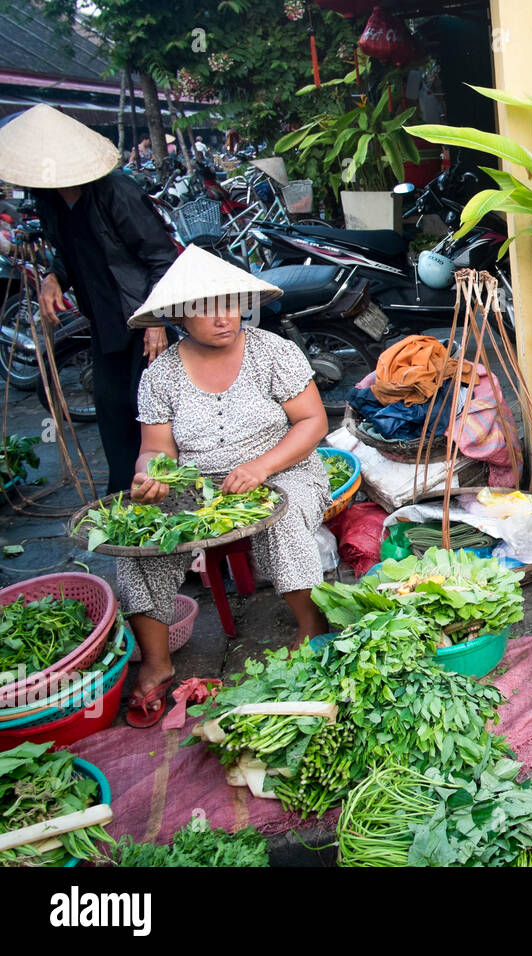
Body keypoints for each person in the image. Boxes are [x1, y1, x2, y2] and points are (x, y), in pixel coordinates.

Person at [117, 245, 331, 727]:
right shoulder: (161, 375)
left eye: (230, 303)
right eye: (206, 308)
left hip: (286, 470)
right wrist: (150, 473)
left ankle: (312, 627)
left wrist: (262, 466)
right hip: (198, 489)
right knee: (139, 542)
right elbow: (156, 450)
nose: (223, 318)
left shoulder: (272, 352)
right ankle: (156, 662)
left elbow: (312, 422)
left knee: (284, 515)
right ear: (178, 316)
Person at [0, 105, 177, 494]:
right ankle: (123, 494)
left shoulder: (117, 192)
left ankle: (166, 489)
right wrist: (53, 277)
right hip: (103, 319)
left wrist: (155, 319)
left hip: (140, 318)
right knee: (112, 411)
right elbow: (66, 253)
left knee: (151, 411)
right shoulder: (48, 200)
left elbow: (161, 259)